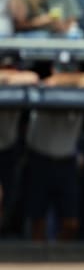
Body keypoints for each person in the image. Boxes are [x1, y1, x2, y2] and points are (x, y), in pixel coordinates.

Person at [24, 50, 84, 241]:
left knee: (71, 223)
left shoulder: (81, 89)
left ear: (76, 71)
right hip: (40, 160)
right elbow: (38, 81)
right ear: (53, 69)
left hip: (66, 163)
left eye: (68, 70)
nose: (63, 74)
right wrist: (61, 80)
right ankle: (39, 261)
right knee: (38, 220)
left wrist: (67, 80)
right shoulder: (42, 87)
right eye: (61, 70)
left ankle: (57, 258)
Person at [0, 50, 39, 235]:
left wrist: (9, 77)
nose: (12, 71)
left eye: (14, 67)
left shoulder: (21, 79)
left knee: (8, 200)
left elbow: (32, 78)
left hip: (8, 150)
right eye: (7, 67)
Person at [15, 0, 84, 39]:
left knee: (77, 34)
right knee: (41, 36)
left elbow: (72, 22)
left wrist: (61, 26)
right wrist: (40, 21)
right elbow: (18, 25)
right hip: (36, 36)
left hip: (61, 35)